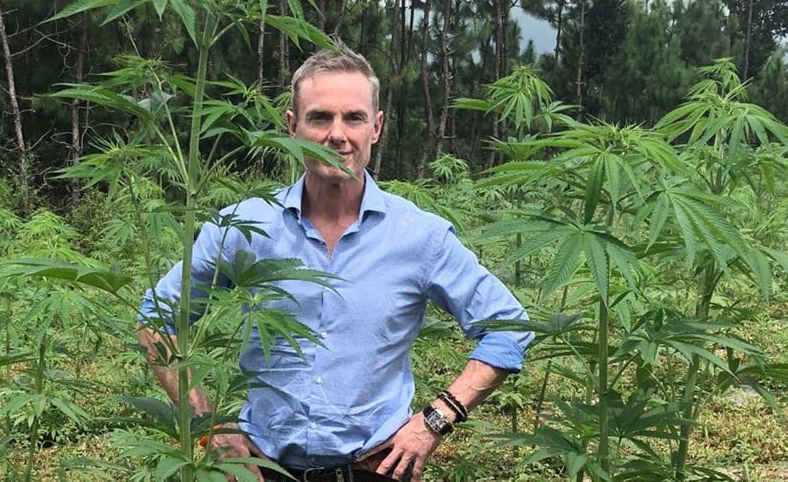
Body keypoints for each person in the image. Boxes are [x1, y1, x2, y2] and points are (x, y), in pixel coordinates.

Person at [138, 47, 532, 482]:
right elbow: (157, 317)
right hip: (258, 468)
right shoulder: (244, 227)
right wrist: (208, 426)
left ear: (377, 127)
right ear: (292, 126)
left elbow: (508, 327)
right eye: (320, 118)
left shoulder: (421, 237)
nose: (337, 135)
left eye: (354, 118)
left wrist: (434, 421)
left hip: (375, 468)